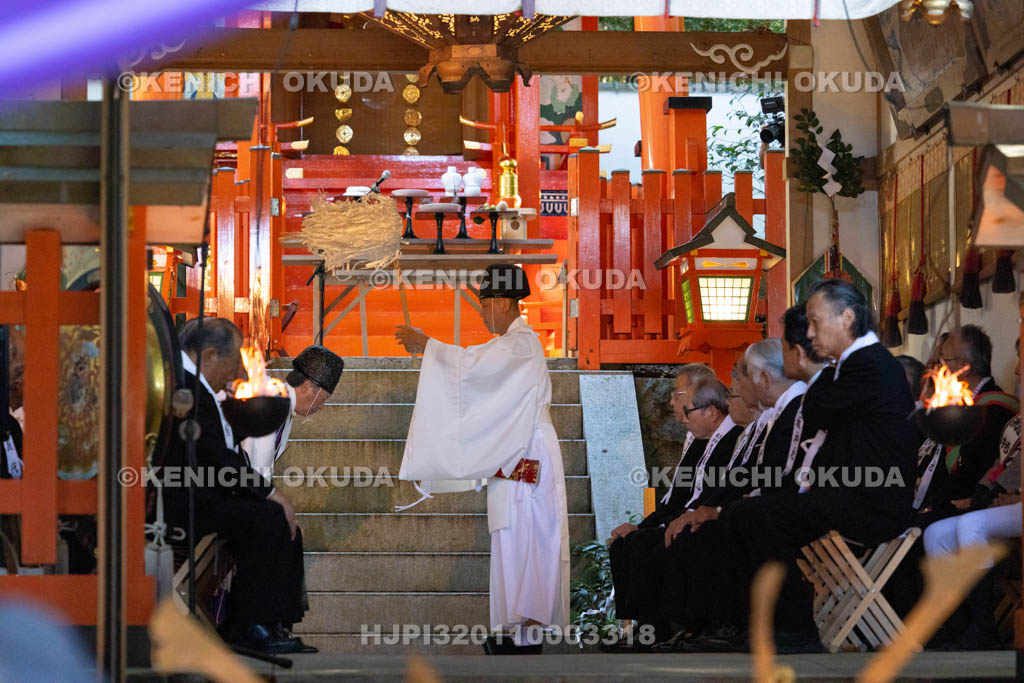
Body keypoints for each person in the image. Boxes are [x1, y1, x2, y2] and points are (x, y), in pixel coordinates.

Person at [666, 280, 919, 653]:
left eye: (817, 323)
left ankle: (795, 625)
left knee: (761, 516)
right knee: (746, 514)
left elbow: (817, 407)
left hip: (874, 498)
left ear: (846, 318)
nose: (812, 336)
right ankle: (756, 622)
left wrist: (811, 372)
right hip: (847, 490)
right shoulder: (850, 367)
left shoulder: (871, 365)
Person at [394, 264, 569, 655]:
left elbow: (473, 368)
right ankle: (513, 628)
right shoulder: (512, 344)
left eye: (485, 304)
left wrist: (428, 345)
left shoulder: (521, 343)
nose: (481, 312)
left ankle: (525, 629)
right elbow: (479, 376)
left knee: (528, 534)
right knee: (510, 531)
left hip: (528, 454)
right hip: (513, 452)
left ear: (504, 303)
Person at [163, 318, 311, 655]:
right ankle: (246, 623)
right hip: (183, 498)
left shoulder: (197, 384)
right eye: (232, 366)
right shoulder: (184, 386)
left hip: (203, 491)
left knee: (280, 521)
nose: (234, 376)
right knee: (267, 518)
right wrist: (269, 492)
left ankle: (274, 621)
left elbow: (218, 445)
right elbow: (213, 455)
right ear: (210, 355)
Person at [605, 374, 741, 650]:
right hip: (692, 512)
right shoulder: (704, 439)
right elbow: (679, 496)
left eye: (683, 403)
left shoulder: (732, 438)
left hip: (715, 515)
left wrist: (669, 522)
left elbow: (712, 495)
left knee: (647, 543)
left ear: (711, 412)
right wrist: (645, 524)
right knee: (627, 541)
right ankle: (645, 625)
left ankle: (668, 626)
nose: (680, 414)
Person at [244, 345, 344, 479]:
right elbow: (257, 471)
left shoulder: (281, 402)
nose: (321, 406)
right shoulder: (272, 407)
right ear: (307, 387)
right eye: (323, 398)